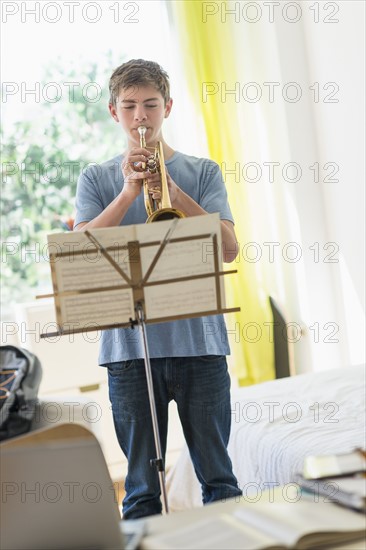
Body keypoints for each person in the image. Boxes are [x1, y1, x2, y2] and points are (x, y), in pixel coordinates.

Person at [74, 59, 242, 519]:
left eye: (150, 104)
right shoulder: (95, 179)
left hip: (200, 345)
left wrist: (170, 189)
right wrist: (129, 191)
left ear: (167, 107)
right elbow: (83, 256)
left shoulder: (202, 172)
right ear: (114, 112)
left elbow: (227, 248)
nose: (140, 117)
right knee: (141, 493)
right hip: (129, 352)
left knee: (220, 481)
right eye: (129, 106)